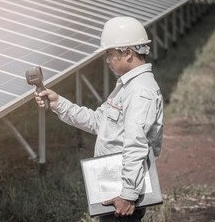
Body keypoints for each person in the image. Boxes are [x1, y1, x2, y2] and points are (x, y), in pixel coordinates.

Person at [34, 16, 163, 222]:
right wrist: (58, 102)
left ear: (128, 53)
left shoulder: (140, 91)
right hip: (114, 187)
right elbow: (97, 121)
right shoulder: (127, 86)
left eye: (110, 54)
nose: (107, 60)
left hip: (122, 195)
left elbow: (136, 144)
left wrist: (128, 195)